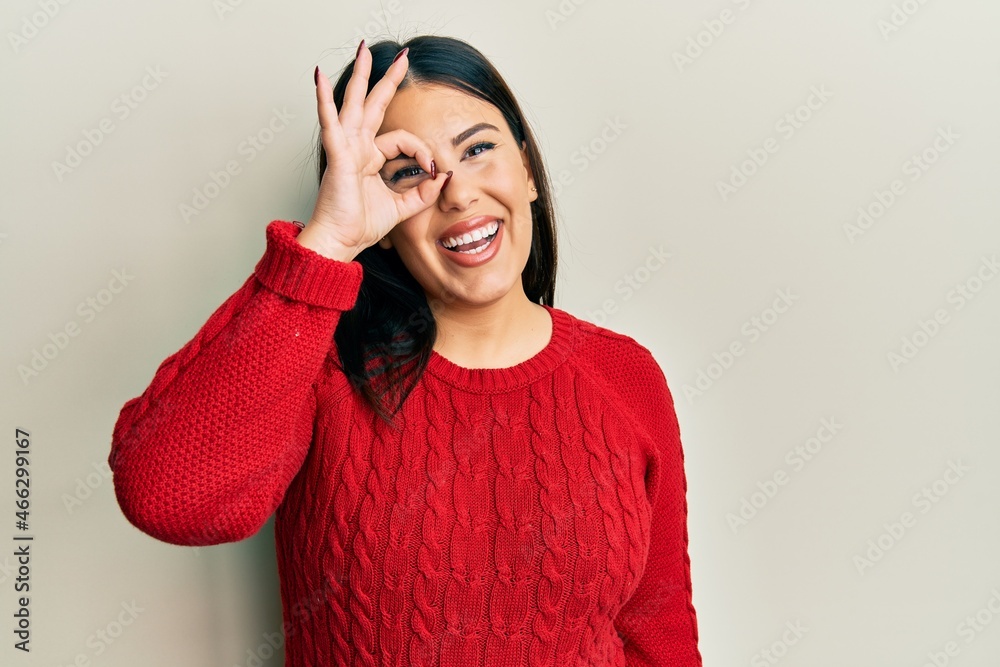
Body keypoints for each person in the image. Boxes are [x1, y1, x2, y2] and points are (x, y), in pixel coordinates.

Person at [108, 34, 703, 666]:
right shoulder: (321, 370)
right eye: (409, 172)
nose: (457, 194)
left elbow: (660, 633)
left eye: (478, 149)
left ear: (526, 170)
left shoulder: (625, 376)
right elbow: (163, 496)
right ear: (382, 221)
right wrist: (327, 241)